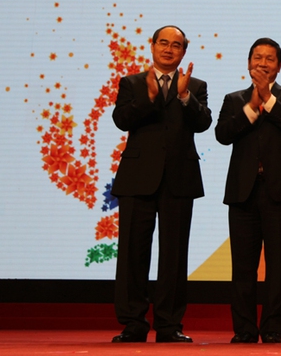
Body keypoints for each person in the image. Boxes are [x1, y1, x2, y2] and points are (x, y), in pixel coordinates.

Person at [111, 25, 212, 343]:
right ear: (152, 46)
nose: (169, 49)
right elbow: (121, 120)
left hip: (179, 179)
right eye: (163, 43)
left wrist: (184, 96)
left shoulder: (194, 85)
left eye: (176, 45)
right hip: (137, 178)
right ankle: (133, 323)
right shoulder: (132, 83)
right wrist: (149, 98)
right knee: (132, 253)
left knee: (174, 255)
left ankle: (169, 324)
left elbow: (204, 123)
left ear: (184, 51)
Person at [215, 38, 281, 344]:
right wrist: (251, 108)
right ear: (248, 63)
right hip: (243, 192)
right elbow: (223, 134)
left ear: (279, 66)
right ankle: (244, 329)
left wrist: (268, 99)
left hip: (280, 192)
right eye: (258, 57)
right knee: (243, 265)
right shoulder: (234, 99)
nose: (263, 63)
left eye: (270, 59)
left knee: (278, 265)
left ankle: (272, 329)